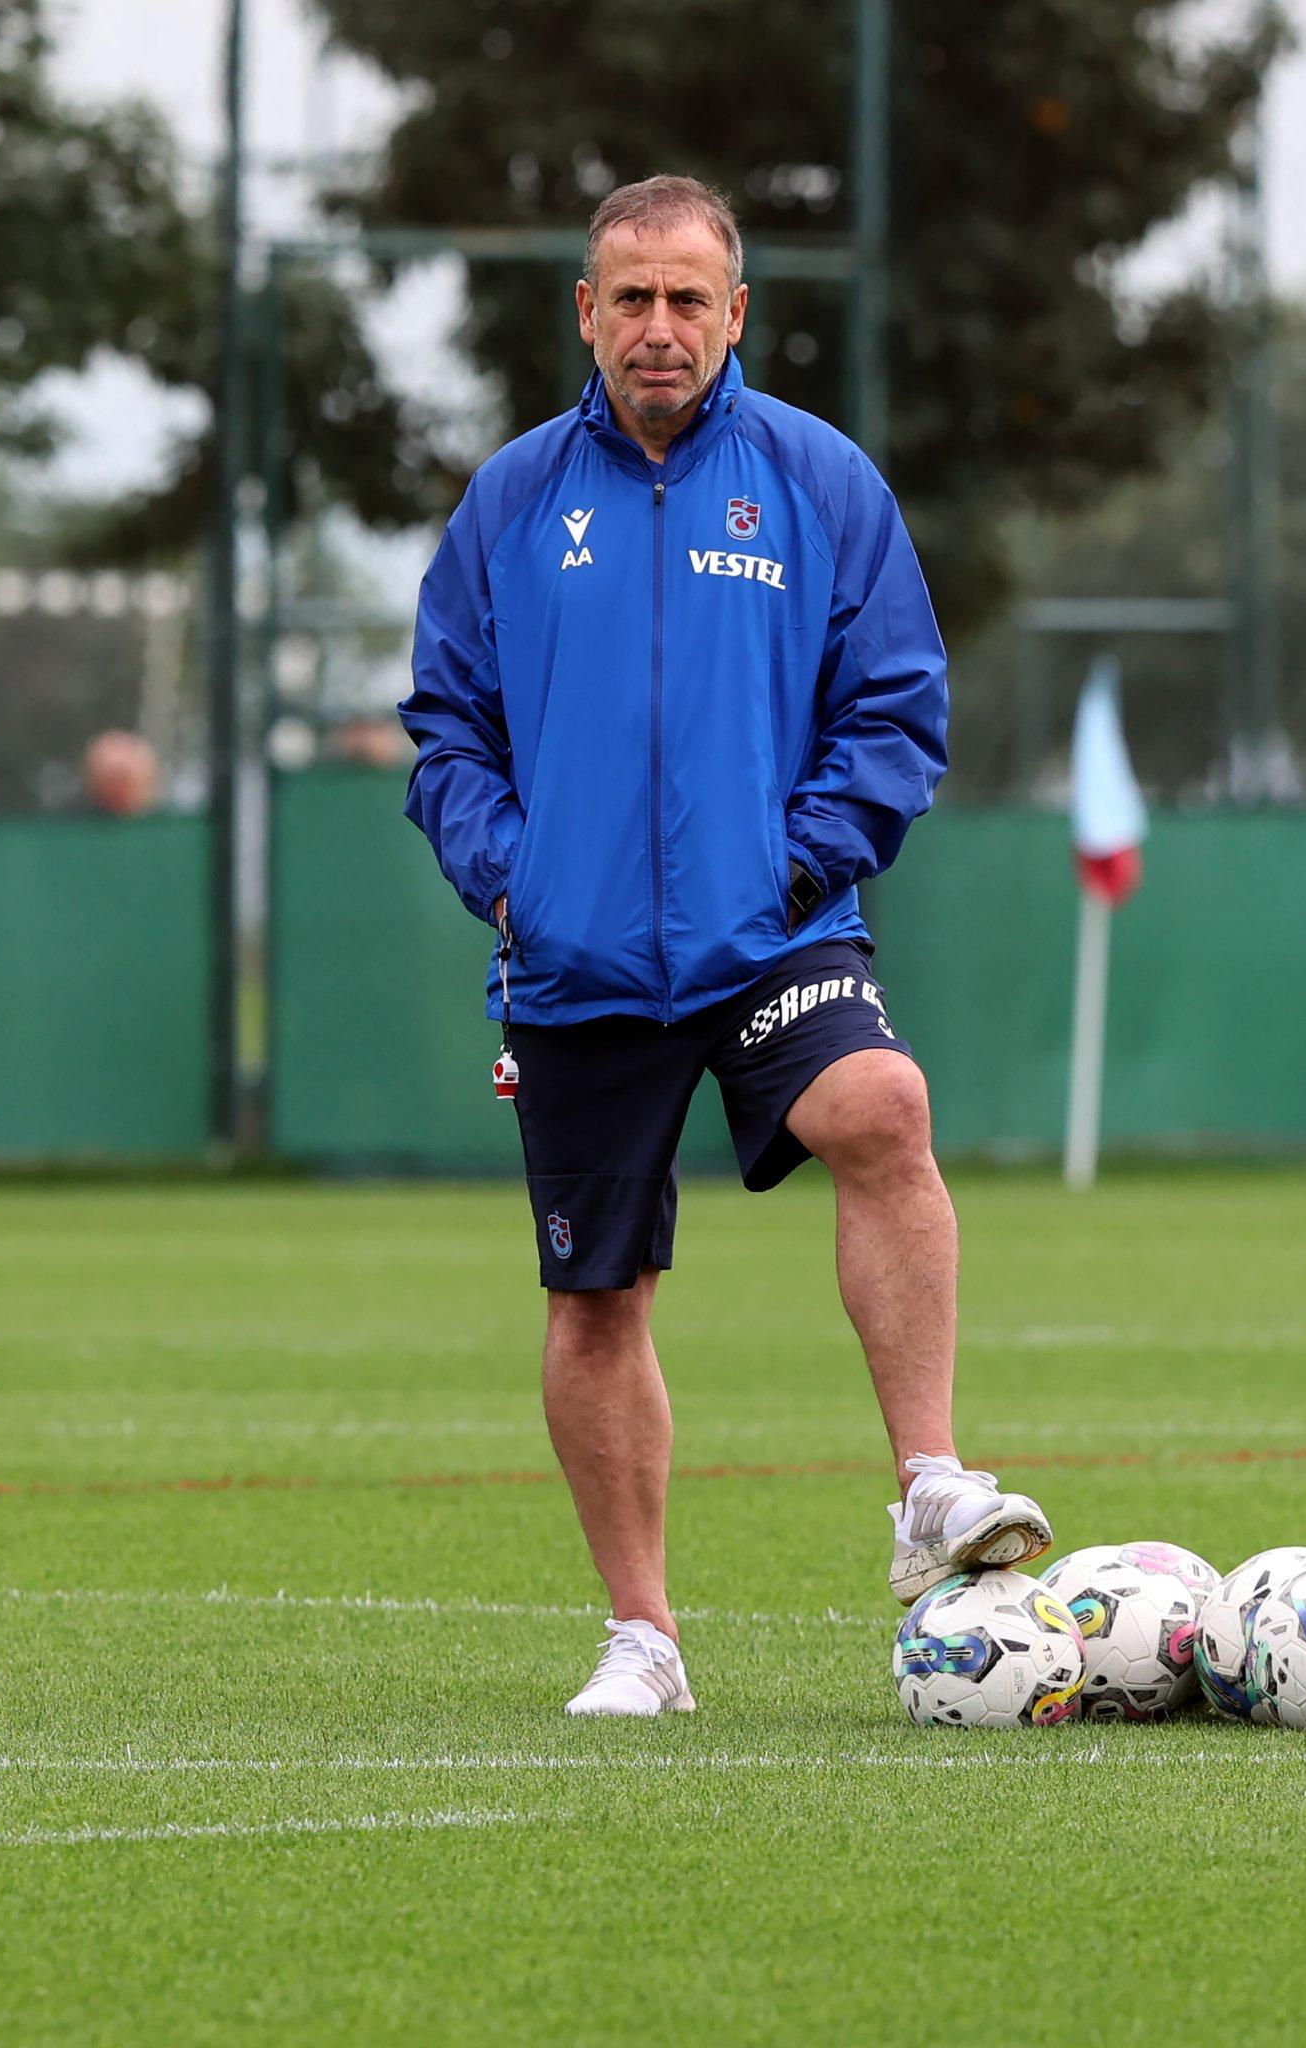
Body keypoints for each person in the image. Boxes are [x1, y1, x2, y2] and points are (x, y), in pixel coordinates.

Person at [400, 175, 1052, 1716]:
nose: (659, 327)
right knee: (596, 1299)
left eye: (689, 298)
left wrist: (795, 860)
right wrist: (517, 882)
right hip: (574, 962)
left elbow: (892, 707)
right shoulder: (508, 500)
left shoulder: (820, 483)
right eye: (630, 297)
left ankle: (930, 1482)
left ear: (737, 312)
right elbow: (444, 728)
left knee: (879, 1108)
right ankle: (645, 1641)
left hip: (770, 931)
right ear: (585, 310)